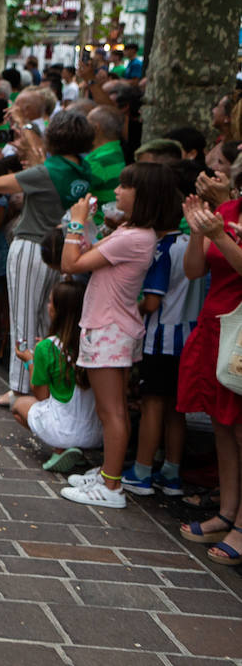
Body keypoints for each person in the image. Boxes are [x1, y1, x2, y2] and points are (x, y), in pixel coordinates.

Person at [58, 163, 181, 508]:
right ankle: (109, 473)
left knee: (111, 411)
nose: (118, 191)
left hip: (109, 328)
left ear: (142, 196)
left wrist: (76, 222)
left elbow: (71, 263)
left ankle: (111, 486)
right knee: (114, 410)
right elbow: (93, 253)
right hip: (115, 325)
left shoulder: (133, 237)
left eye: (126, 186)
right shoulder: (134, 232)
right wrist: (90, 226)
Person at [0, 110, 95, 406]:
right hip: (62, 250)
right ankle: (47, 384)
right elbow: (44, 155)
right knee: (48, 320)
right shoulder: (83, 170)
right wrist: (22, 124)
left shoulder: (44, 173)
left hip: (31, 247)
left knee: (24, 319)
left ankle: (20, 389)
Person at [121, 202, 206, 497]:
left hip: (161, 338)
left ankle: (142, 470)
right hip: (190, 336)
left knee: (153, 404)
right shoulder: (192, 242)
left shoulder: (163, 249)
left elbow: (153, 301)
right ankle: (171, 472)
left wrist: (131, 308)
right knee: (175, 409)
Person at [176, 191, 242, 564]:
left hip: (241, 333)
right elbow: (193, 270)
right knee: (221, 424)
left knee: (240, 429)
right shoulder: (227, 211)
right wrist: (198, 230)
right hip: (216, 325)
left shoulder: (226, 222)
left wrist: (219, 236)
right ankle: (227, 511)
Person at [11, 279, 101, 471]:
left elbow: (41, 395)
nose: (47, 305)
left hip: (63, 429)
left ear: (58, 310)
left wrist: (30, 361)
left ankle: (60, 449)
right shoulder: (94, 343)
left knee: (18, 406)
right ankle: (75, 451)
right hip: (95, 431)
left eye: (51, 302)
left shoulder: (46, 347)